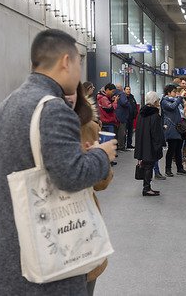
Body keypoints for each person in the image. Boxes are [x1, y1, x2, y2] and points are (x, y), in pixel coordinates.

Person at [0, 29, 117, 295]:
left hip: (9, 257)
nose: (79, 74)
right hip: (49, 266)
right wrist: (102, 154)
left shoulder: (7, 105)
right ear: (66, 62)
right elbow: (70, 176)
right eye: (79, 64)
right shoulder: (53, 108)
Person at [66, 82, 114, 296]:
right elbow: (100, 182)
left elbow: (100, 183)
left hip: (72, 222)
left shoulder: (89, 126)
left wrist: (98, 158)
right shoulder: (86, 125)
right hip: (70, 221)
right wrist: (99, 156)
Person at [134, 91, 166, 196]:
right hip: (151, 144)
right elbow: (156, 133)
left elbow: (138, 129)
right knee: (149, 166)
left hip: (143, 142)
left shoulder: (142, 112)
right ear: (155, 101)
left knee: (146, 165)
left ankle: (147, 187)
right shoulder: (154, 114)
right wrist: (159, 145)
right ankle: (146, 188)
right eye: (158, 100)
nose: (159, 102)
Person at [161, 83, 186, 177]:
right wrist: (180, 97)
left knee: (178, 149)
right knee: (171, 149)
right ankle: (168, 169)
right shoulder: (164, 101)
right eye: (174, 91)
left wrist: (181, 99)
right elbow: (172, 107)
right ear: (168, 92)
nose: (175, 93)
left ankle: (180, 168)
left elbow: (183, 106)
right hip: (171, 128)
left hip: (179, 127)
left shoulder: (176, 100)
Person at [114, 83, 130, 150]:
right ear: (121, 88)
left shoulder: (114, 94)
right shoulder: (122, 94)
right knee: (122, 132)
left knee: (117, 132)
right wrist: (128, 103)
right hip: (122, 115)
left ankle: (117, 145)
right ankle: (121, 146)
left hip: (116, 116)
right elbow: (124, 103)